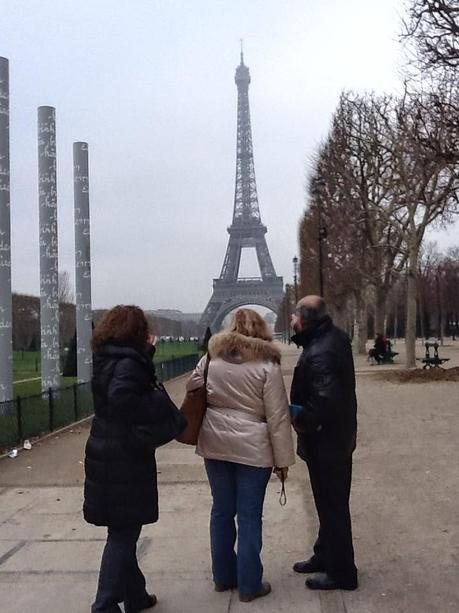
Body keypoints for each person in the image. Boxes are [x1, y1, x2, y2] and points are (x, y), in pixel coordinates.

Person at [186, 308, 295, 602]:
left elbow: (192, 386)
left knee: (221, 510)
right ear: (261, 329)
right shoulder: (267, 365)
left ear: (230, 326)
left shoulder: (211, 358)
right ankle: (249, 585)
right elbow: (278, 416)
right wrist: (283, 461)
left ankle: (222, 577)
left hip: (215, 441)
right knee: (248, 516)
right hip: (253, 446)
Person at [84, 305, 186, 613]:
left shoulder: (108, 357)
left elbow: (116, 394)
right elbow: (122, 398)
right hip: (124, 456)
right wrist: (154, 403)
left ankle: (136, 595)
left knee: (123, 528)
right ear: (136, 331)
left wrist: (146, 358)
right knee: (123, 534)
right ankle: (103, 605)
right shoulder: (129, 363)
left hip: (106, 448)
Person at [290, 296, 358, 591]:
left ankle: (342, 573)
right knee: (329, 504)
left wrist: (299, 419)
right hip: (335, 438)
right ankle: (325, 554)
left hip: (326, 442)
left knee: (333, 507)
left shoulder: (320, 351)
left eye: (294, 315)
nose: (291, 320)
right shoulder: (330, 339)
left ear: (304, 319)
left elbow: (324, 403)